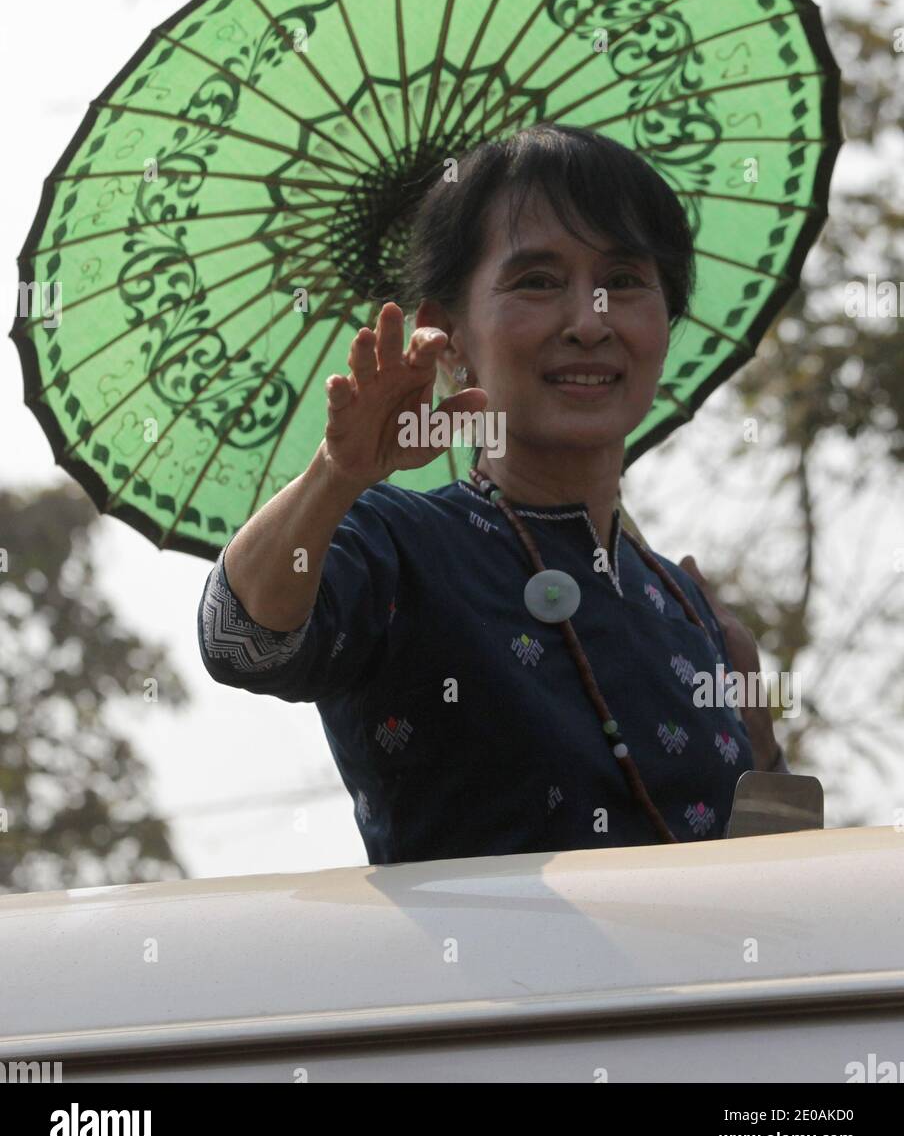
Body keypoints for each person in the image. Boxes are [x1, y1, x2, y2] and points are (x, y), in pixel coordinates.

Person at [197, 123, 789, 866]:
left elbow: (773, 897)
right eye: (538, 281)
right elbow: (238, 641)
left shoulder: (690, 611)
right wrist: (335, 475)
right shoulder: (398, 548)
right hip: (475, 982)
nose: (588, 323)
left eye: (626, 282)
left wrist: (761, 745)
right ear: (448, 335)